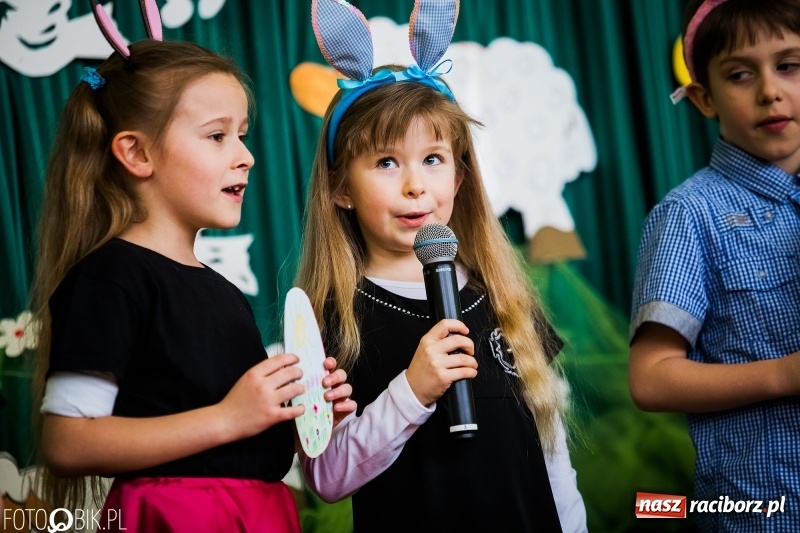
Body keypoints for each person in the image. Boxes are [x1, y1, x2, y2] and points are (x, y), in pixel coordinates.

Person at [31, 4, 354, 532]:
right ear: (136, 153)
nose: (246, 156)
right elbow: (67, 443)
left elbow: (231, 441)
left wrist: (302, 418)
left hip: (261, 513)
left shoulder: (223, 292)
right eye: (217, 135)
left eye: (243, 134)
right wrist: (229, 417)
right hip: (175, 515)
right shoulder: (109, 277)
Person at [296, 1, 586, 531]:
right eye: (386, 162)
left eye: (432, 159)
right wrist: (412, 389)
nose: (415, 185)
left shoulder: (499, 294)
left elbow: (552, 449)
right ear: (341, 188)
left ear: (458, 177)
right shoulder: (334, 318)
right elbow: (328, 477)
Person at [629, 0, 800, 530]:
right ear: (704, 97)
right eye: (740, 74)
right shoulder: (689, 215)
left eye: (789, 66)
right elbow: (651, 379)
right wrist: (784, 374)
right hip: (764, 508)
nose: (770, 90)